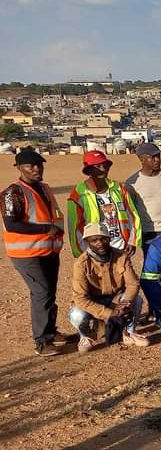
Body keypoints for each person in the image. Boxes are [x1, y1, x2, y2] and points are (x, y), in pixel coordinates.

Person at [3, 149, 66, 356]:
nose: (36, 169)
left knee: (49, 292)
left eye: (39, 165)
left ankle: (50, 330)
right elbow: (12, 225)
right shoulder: (13, 192)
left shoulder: (45, 189)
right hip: (26, 253)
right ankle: (41, 340)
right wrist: (46, 229)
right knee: (41, 292)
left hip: (48, 250)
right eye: (30, 166)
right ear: (19, 168)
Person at [69, 223, 148, 352]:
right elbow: (80, 298)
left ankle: (129, 332)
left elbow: (133, 284)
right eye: (94, 240)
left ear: (110, 239)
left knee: (137, 300)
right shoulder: (81, 264)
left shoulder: (121, 256)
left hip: (116, 299)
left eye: (103, 239)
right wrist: (110, 313)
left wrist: (123, 303)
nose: (100, 243)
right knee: (76, 314)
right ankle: (86, 336)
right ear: (87, 242)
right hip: (93, 302)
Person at [67, 150, 141, 258]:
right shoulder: (79, 193)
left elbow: (133, 215)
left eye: (105, 165)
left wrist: (132, 241)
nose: (103, 169)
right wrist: (82, 253)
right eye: (98, 166)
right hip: (94, 252)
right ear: (89, 170)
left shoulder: (118, 188)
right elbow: (74, 228)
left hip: (120, 248)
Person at [126, 142, 161, 255]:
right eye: (153, 157)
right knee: (152, 266)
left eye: (158, 156)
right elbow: (131, 210)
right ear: (142, 159)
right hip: (148, 232)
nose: (157, 160)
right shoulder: (132, 183)